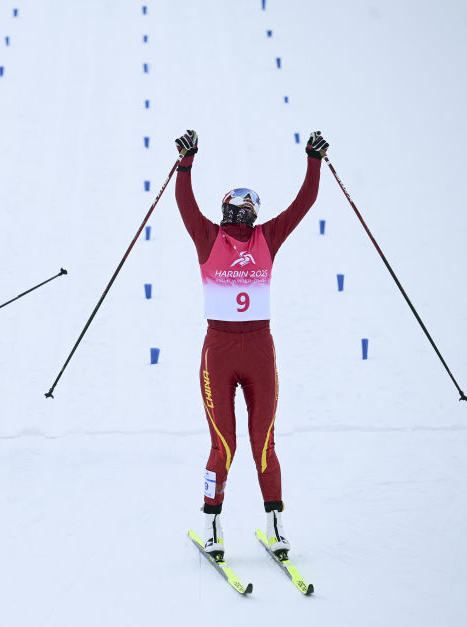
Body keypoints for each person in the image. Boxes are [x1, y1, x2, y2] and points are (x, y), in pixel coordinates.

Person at [173, 129, 329, 559]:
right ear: (225, 209)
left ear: (255, 213)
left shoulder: (267, 238)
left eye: (248, 205)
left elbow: (304, 204)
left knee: (263, 441)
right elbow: (185, 204)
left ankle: (275, 526)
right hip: (218, 350)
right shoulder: (208, 238)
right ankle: (211, 524)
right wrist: (186, 163)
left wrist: (313, 160)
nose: (241, 210)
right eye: (234, 204)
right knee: (224, 444)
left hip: (259, 348)